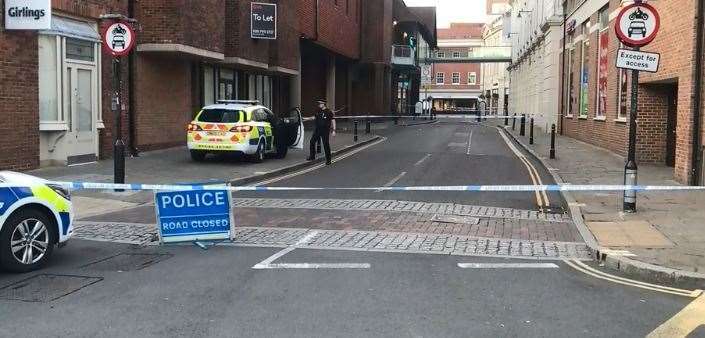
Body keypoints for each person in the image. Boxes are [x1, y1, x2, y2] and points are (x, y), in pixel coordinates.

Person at [307, 99, 336, 165]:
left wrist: (334, 130)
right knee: (312, 141)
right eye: (319, 103)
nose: (319, 105)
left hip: (325, 130)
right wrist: (306, 119)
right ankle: (312, 156)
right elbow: (314, 117)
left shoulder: (329, 112)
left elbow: (333, 120)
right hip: (317, 129)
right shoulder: (318, 110)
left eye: (320, 103)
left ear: (324, 104)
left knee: (326, 144)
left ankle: (328, 160)